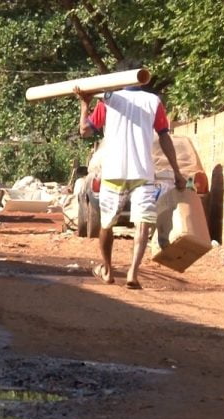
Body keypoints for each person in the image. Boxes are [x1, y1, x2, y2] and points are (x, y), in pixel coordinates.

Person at [74, 62, 185, 289]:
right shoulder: (154, 102)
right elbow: (165, 137)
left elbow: (84, 131)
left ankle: (107, 269)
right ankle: (133, 273)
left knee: (107, 224)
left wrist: (84, 104)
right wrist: (177, 171)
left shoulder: (108, 99)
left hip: (113, 173)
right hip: (143, 173)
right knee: (143, 224)